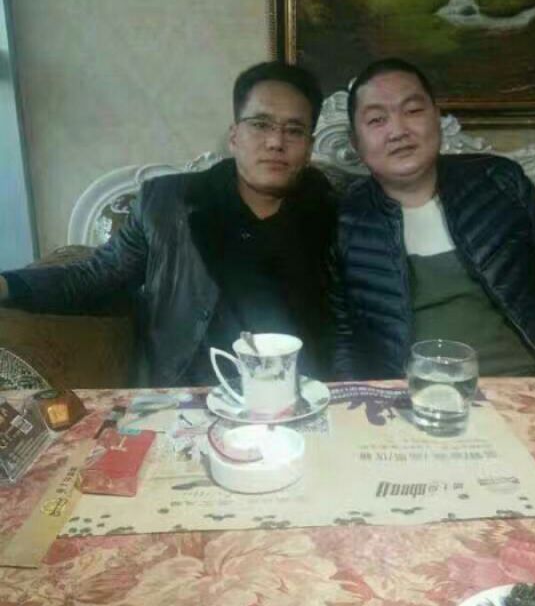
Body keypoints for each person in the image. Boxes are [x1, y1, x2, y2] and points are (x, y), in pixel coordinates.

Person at [0, 61, 335, 385]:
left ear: (308, 148)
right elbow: (95, 276)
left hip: (306, 393)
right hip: (191, 393)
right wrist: (7, 285)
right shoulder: (167, 204)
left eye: (294, 130)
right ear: (234, 137)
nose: (276, 142)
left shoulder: (334, 213)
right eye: (260, 124)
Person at [330, 57, 535, 380]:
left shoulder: (499, 182)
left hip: (527, 384)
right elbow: (342, 336)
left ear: (437, 117)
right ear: (355, 143)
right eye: (377, 120)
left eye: (413, 110)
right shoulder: (344, 220)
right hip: (415, 396)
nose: (398, 131)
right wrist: (359, 398)